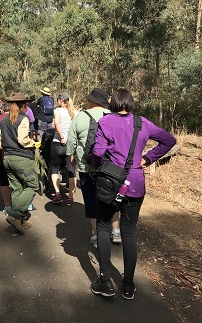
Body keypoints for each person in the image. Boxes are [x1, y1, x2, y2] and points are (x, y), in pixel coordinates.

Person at [90, 88, 176, 300]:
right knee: (129, 233)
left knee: (103, 226)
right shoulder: (143, 123)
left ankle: (105, 281)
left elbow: (98, 153)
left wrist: (98, 168)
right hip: (135, 184)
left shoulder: (105, 122)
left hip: (110, 183)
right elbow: (169, 140)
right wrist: (147, 158)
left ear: (113, 104)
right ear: (130, 103)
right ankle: (128, 285)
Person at [66, 87, 120, 248]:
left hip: (86, 166)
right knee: (112, 199)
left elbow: (71, 140)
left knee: (90, 200)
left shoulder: (81, 116)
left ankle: (97, 235)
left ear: (91, 101)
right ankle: (116, 231)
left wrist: (71, 155)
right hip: (111, 168)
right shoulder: (113, 116)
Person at [0, 93, 38, 233]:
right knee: (33, 186)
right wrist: (33, 143)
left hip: (7, 158)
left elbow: (1, 142)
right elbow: (23, 140)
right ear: (24, 105)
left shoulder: (3, 120)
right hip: (21, 158)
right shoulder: (23, 118)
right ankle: (16, 215)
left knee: (17, 188)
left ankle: (19, 220)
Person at [49, 92, 78, 205]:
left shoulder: (58, 111)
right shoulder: (75, 112)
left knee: (55, 168)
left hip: (58, 143)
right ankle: (70, 196)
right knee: (72, 171)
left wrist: (61, 136)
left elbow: (56, 123)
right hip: (70, 144)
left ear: (61, 100)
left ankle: (57, 194)